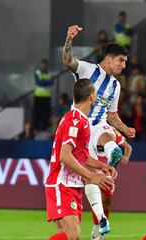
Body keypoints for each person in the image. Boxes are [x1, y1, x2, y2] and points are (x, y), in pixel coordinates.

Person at [63, 25, 136, 236]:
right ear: (109, 59)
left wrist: (125, 128)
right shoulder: (88, 70)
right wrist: (69, 38)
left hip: (99, 126)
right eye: (121, 60)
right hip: (80, 128)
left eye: (125, 62)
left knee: (107, 135)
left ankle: (112, 151)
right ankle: (100, 220)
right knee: (92, 178)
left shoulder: (115, 86)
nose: (123, 65)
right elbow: (68, 61)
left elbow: (112, 116)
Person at [45, 79, 116, 240]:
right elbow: (65, 155)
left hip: (73, 185)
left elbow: (82, 156)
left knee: (71, 236)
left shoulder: (82, 120)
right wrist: (91, 176)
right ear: (91, 97)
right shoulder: (74, 120)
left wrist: (102, 166)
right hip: (62, 184)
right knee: (73, 236)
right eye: (95, 96)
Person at [90, 127, 133, 240]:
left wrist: (126, 157)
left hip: (108, 171)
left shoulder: (110, 130)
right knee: (97, 199)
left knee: (107, 202)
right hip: (95, 169)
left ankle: (102, 228)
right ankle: (96, 228)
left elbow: (127, 147)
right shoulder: (89, 128)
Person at [33, 58, 54, 131]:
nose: (44, 66)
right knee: (37, 113)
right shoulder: (37, 72)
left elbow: (51, 82)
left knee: (46, 114)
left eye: (45, 64)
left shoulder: (49, 73)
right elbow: (38, 82)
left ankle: (44, 128)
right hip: (38, 96)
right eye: (43, 64)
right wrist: (46, 82)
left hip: (47, 97)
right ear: (41, 65)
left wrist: (43, 82)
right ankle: (36, 128)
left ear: (47, 65)